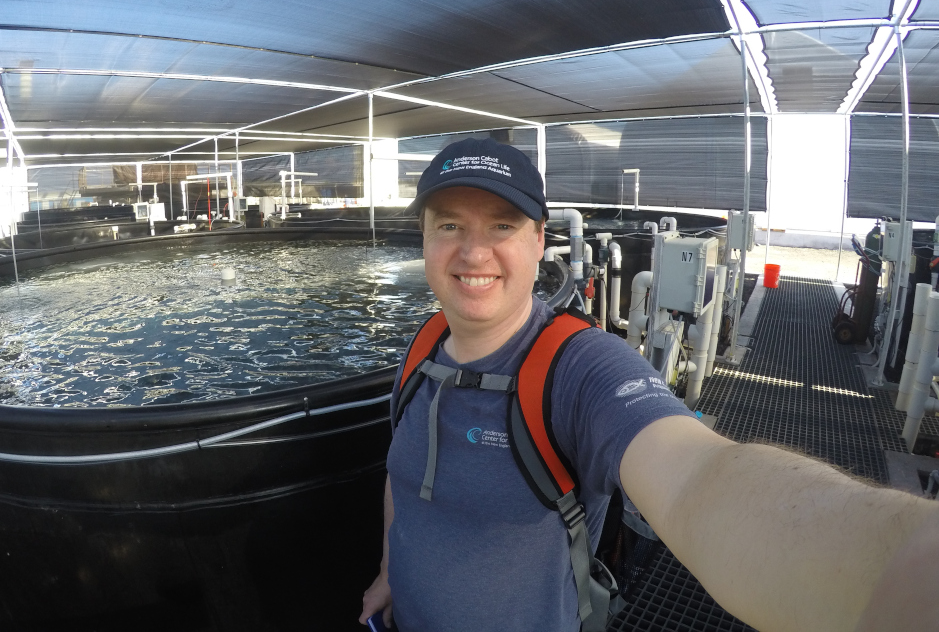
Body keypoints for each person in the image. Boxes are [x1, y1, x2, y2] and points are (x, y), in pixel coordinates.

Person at [359, 137, 939, 632]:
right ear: (425, 238)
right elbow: (403, 474)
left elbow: (697, 479)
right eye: (449, 225)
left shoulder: (578, 369)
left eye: (502, 226)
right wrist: (391, 569)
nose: (472, 251)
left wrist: (901, 564)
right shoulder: (423, 347)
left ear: (540, 241)